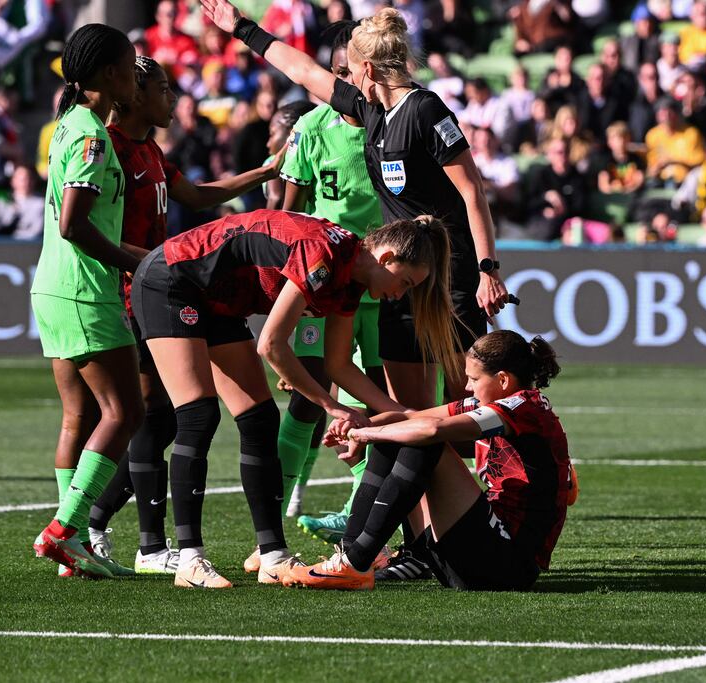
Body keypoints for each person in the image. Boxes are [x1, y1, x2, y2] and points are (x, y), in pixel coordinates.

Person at [202, 1, 509, 406]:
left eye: (349, 69)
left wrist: (488, 270)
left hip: (448, 277)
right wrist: (242, 28)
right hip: (399, 279)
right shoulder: (371, 110)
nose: (343, 78)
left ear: (368, 68)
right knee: (411, 414)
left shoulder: (425, 109)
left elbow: (472, 191)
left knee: (467, 410)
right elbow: (303, 71)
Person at [130, 209, 456, 588]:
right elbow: (272, 344)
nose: (401, 294)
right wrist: (331, 405)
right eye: (406, 282)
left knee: (261, 419)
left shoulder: (351, 276)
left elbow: (337, 366)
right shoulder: (324, 255)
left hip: (218, 300)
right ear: (386, 258)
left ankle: (272, 557)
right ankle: (190, 560)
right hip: (170, 281)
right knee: (199, 415)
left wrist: (402, 413)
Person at [80, 55, 290, 576]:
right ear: (133, 95)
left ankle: (120, 531)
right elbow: (87, 227)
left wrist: (263, 173)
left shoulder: (150, 149)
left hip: (170, 280)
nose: (173, 98)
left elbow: (198, 195)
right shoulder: (109, 150)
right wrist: (149, 263)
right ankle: (142, 542)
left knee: (164, 416)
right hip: (139, 290)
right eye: (163, 90)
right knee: (159, 414)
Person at [281, 330, 572, 591]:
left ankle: (356, 563)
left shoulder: (524, 406)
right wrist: (359, 425)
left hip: (508, 567)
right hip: (477, 558)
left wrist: (369, 434)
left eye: (473, 379)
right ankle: (352, 556)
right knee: (397, 434)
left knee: (422, 441)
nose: (467, 387)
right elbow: (409, 416)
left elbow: (432, 430)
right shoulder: (490, 402)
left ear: (503, 380)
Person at [29, 24, 144, 580]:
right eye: (129, 64)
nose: (134, 73)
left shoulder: (73, 124)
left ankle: (71, 547)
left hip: (53, 286)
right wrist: (134, 265)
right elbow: (75, 225)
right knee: (126, 411)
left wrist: (147, 258)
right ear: (107, 75)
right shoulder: (92, 136)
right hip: (83, 290)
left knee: (80, 414)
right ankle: (63, 531)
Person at [268, 21, 385, 550]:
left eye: (349, 73)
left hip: (382, 284)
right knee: (308, 398)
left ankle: (359, 510)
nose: (342, 84)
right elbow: (288, 215)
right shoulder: (311, 129)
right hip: (323, 281)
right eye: (333, 74)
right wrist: (281, 291)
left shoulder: (389, 127)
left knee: (377, 397)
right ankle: (280, 497)